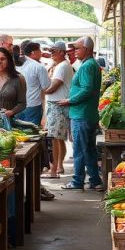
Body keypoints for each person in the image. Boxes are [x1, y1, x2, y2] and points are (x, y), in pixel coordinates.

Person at [59, 37, 103, 191]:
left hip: (82, 114)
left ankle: (78, 181)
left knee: (79, 149)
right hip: (86, 114)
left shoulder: (87, 66)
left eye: (77, 48)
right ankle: (95, 180)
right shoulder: (90, 65)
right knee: (88, 149)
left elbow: (87, 89)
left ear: (87, 49)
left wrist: (69, 101)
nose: (74, 51)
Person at [43, 42, 73, 178]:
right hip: (59, 104)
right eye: (50, 51)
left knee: (54, 138)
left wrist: (42, 92)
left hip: (57, 105)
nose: (51, 53)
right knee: (59, 138)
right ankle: (59, 166)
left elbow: (55, 85)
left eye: (54, 51)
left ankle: (54, 168)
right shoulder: (63, 65)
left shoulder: (62, 66)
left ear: (62, 52)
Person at [0, 47, 27, 119]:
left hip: (10, 122)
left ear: (9, 60)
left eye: (2, 59)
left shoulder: (18, 79)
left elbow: (22, 104)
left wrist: (12, 112)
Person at [18, 41, 50, 126]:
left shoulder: (17, 65)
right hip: (33, 105)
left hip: (17, 105)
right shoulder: (39, 67)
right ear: (33, 52)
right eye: (39, 50)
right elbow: (46, 87)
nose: (41, 53)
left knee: (17, 132)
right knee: (32, 134)